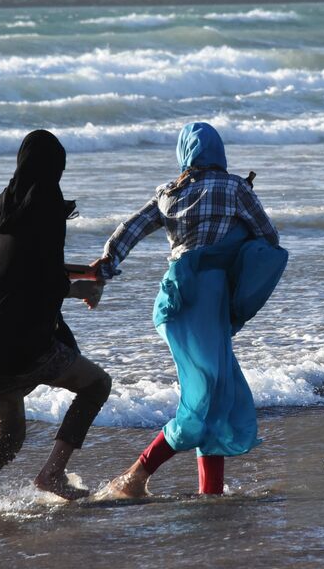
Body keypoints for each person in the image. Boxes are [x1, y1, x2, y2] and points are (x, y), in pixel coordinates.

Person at [91, 122, 286, 498]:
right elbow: (269, 238)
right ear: (219, 154)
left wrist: (106, 266)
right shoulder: (235, 188)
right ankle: (134, 477)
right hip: (207, 302)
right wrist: (236, 248)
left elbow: (127, 230)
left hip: (176, 300)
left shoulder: (169, 191)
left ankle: (210, 492)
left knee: (214, 395)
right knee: (204, 400)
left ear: (185, 155)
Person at [0, 130, 111, 505]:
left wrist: (80, 272)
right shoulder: (46, 201)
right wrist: (78, 289)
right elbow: (40, 279)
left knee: (6, 433)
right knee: (96, 386)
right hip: (18, 340)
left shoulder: (7, 201)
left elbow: (10, 266)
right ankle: (52, 473)